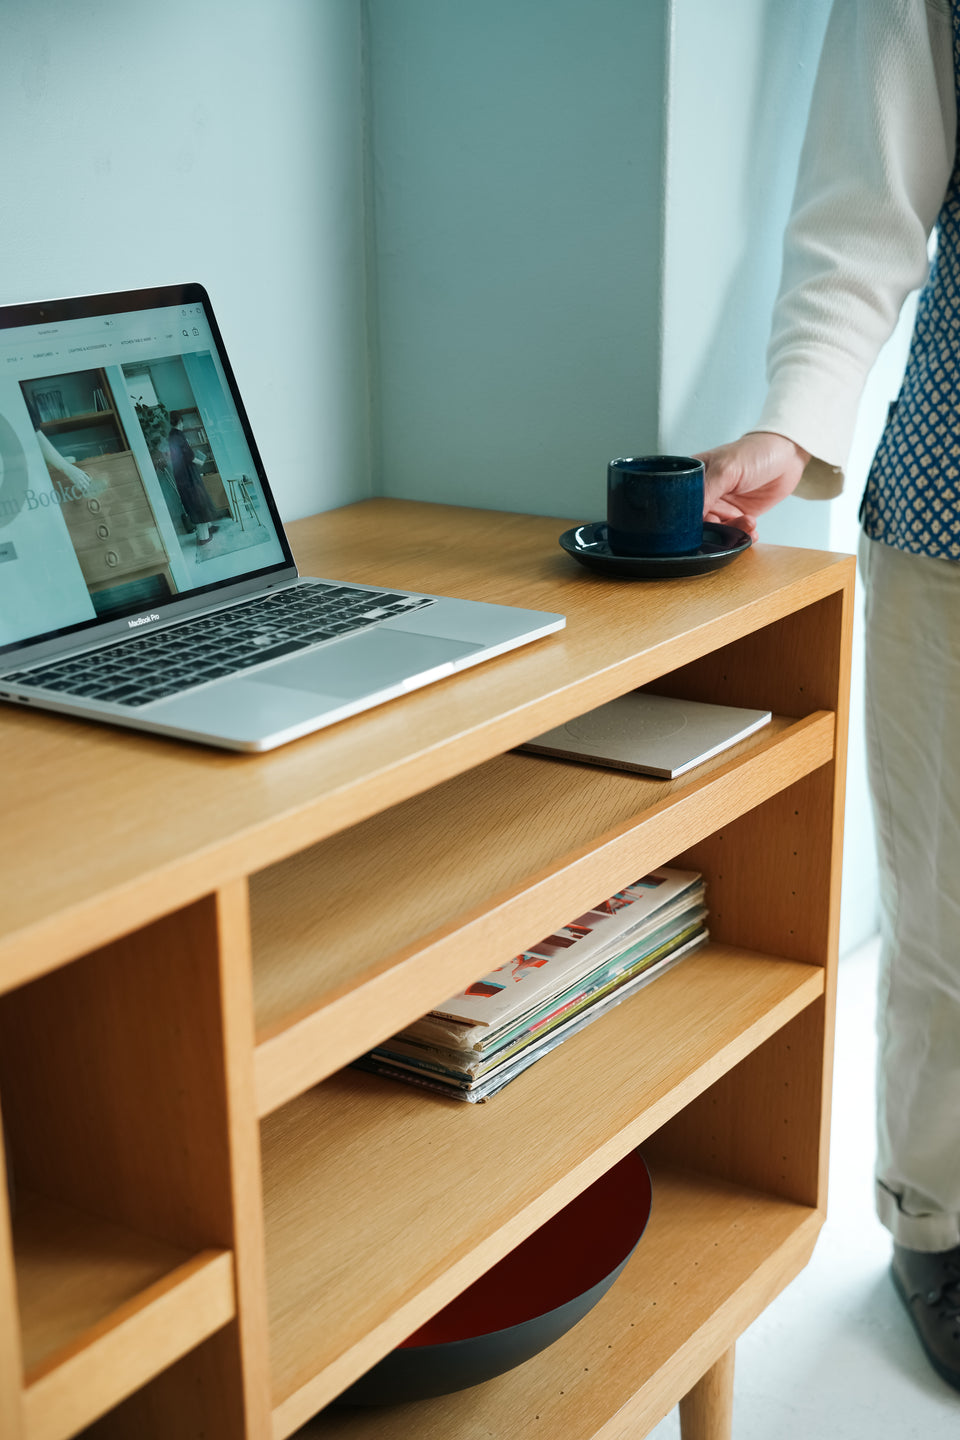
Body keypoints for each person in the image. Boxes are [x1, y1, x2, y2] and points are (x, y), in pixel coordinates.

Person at [696, 0, 960, 1391]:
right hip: (958, 520)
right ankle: (940, 1225)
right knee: (950, 916)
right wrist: (793, 419)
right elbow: (866, 211)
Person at [167, 411, 220, 546]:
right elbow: (189, 455)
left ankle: (208, 528)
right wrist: (201, 462)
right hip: (188, 475)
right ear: (181, 421)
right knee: (198, 502)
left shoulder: (172, 436)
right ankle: (204, 538)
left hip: (182, 475)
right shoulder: (178, 435)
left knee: (198, 500)